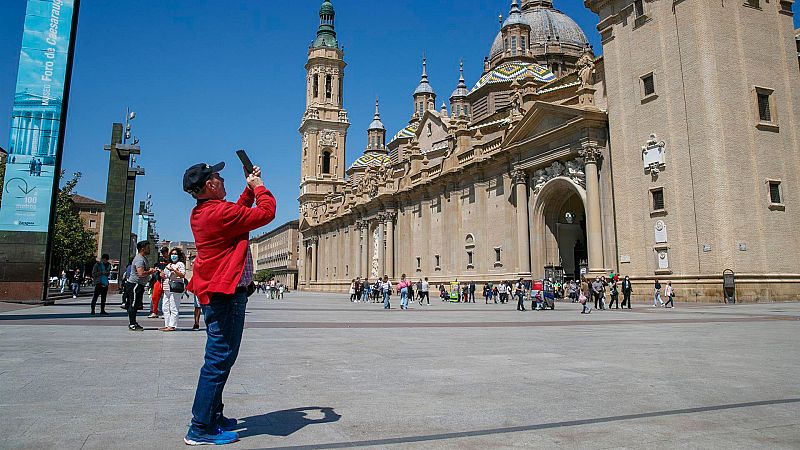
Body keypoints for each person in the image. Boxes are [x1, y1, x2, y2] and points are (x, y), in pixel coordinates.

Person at [182, 161, 276, 446]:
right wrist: (260, 188)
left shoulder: (206, 211)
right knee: (219, 360)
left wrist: (248, 190)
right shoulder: (219, 213)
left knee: (220, 359)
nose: (223, 180)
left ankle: (213, 415)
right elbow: (266, 213)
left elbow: (237, 213)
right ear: (210, 185)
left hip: (218, 293)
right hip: (226, 296)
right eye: (218, 176)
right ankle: (200, 427)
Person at [126, 241, 157, 331]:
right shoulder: (139, 259)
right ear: (143, 248)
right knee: (133, 304)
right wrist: (150, 271)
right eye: (148, 247)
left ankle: (134, 322)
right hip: (135, 285)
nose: (149, 249)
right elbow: (141, 273)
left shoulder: (143, 258)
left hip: (139, 285)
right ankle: (132, 324)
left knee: (136, 304)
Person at [160, 248, 187, 332]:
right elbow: (165, 275)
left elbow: (182, 275)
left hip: (175, 287)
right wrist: (162, 274)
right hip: (167, 287)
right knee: (165, 307)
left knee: (174, 307)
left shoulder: (180, 264)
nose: (173, 256)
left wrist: (174, 270)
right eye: (172, 254)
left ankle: (172, 325)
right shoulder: (169, 264)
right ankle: (167, 324)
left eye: (175, 254)